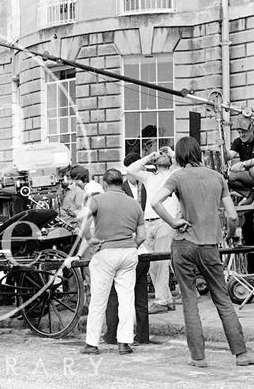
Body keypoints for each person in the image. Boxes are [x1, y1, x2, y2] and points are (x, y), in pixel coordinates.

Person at [151, 136, 254, 367]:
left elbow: (156, 202)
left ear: (178, 156)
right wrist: (229, 233)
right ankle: (241, 354)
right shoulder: (217, 177)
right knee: (222, 299)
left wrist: (174, 223)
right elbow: (233, 216)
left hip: (184, 244)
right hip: (209, 246)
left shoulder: (176, 177)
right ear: (199, 154)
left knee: (189, 300)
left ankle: (198, 357)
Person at [66, 169, 145, 355]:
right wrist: (130, 245)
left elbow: (81, 217)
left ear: (105, 183)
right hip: (128, 252)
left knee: (98, 301)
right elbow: (142, 236)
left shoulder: (97, 200)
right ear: (121, 182)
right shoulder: (134, 204)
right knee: (127, 299)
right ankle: (124, 343)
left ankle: (92, 344)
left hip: (106, 252)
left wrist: (90, 238)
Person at [102, 153, 152, 346]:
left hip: (124, 252)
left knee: (116, 295)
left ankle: (113, 335)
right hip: (142, 251)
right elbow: (142, 235)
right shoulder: (133, 204)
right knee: (140, 297)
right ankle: (142, 336)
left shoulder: (107, 203)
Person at [126, 147, 179, 315]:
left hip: (166, 220)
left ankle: (161, 300)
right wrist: (149, 156)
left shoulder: (175, 174)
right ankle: (167, 299)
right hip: (148, 222)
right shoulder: (149, 176)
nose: (163, 156)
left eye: (166, 156)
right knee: (152, 264)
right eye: (160, 155)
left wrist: (171, 152)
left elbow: (185, 163)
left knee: (161, 261)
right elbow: (130, 169)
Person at [225, 114, 254, 204]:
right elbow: (230, 156)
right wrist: (223, 150)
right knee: (228, 178)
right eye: (239, 132)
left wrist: (243, 164)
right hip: (247, 176)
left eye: (244, 132)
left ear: (251, 129)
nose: (241, 135)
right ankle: (249, 194)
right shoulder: (238, 142)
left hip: (252, 172)